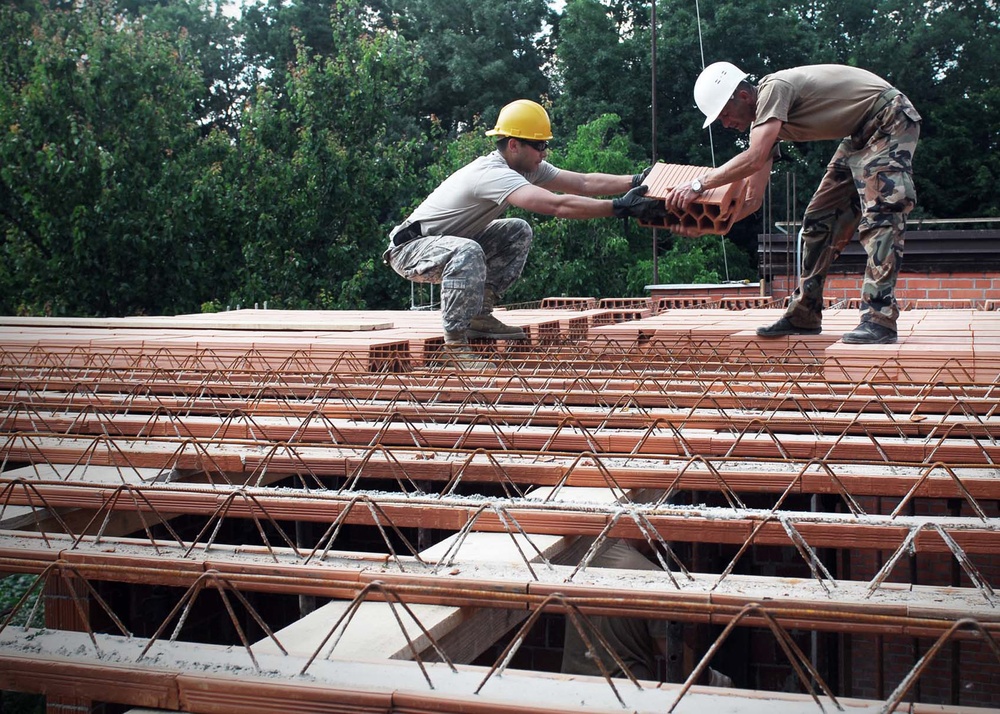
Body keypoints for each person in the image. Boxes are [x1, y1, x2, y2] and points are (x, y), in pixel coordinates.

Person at [384, 99, 665, 367]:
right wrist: (620, 208)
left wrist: (638, 180)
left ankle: (479, 316)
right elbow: (557, 205)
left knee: (516, 230)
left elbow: (582, 182)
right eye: (540, 145)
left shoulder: (526, 167)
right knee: (467, 250)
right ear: (514, 145)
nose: (544, 153)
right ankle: (454, 345)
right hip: (411, 250)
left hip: (447, 244)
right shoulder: (492, 174)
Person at [664, 63, 921, 345]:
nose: (725, 124)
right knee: (819, 219)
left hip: (888, 117)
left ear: (744, 96)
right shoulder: (764, 124)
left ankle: (879, 319)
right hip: (860, 132)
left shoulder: (774, 89)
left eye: (725, 114)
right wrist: (711, 223)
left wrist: (698, 184)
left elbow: (753, 158)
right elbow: (752, 200)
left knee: (881, 214)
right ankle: (805, 314)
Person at [561, 539, 733, 688]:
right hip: (625, 696)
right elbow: (674, 654)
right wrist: (715, 681)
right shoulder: (649, 577)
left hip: (572, 690)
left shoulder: (583, 559)